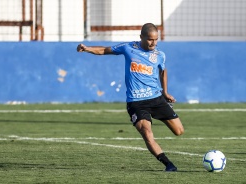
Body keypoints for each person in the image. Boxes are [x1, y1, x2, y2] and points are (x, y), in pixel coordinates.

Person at [76, 23, 184, 172]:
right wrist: (87, 48)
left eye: (156, 39)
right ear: (141, 38)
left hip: (156, 98)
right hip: (136, 103)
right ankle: (168, 164)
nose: (153, 43)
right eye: (150, 39)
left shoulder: (159, 55)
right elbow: (104, 50)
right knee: (147, 133)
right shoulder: (129, 48)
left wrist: (165, 93)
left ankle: (162, 110)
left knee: (179, 131)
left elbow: (163, 71)